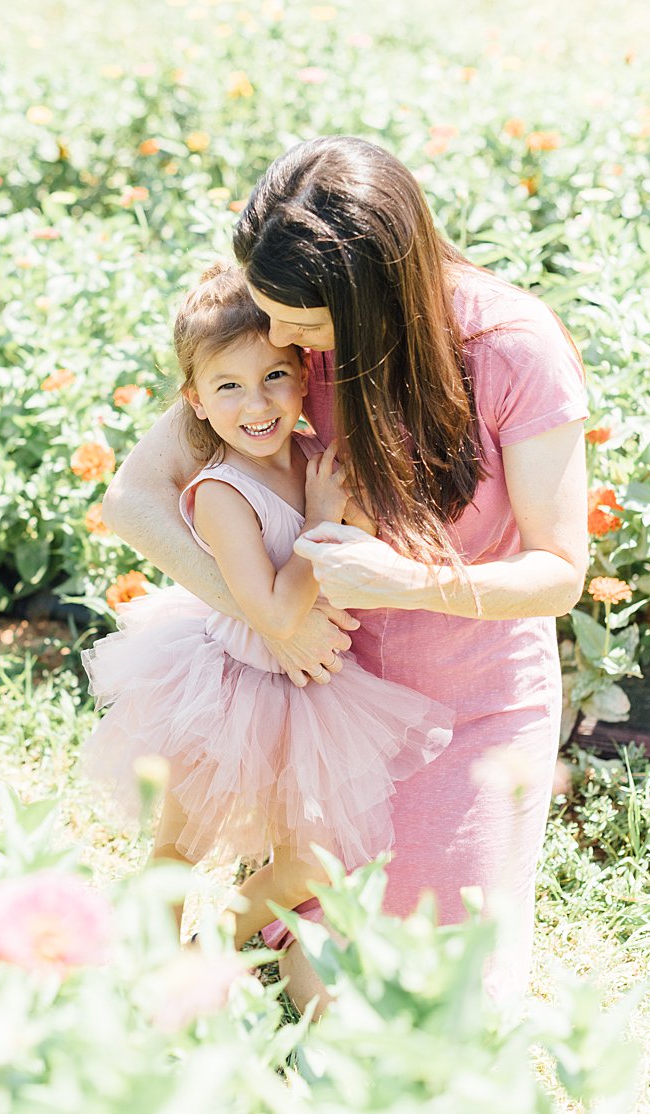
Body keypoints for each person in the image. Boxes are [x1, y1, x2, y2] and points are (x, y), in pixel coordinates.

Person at [103, 136, 587, 1003]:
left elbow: (560, 572)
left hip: (471, 708)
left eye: (301, 326)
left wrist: (415, 584)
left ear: (373, 291)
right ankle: (238, 950)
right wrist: (267, 620)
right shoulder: (280, 339)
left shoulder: (511, 348)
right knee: (330, 997)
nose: (281, 341)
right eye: (268, 311)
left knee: (435, 1010)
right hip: (332, 708)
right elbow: (135, 498)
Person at [83, 264, 453, 945]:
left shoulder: (312, 454)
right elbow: (278, 614)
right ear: (194, 401)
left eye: (274, 378)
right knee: (180, 850)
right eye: (229, 387)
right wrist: (319, 515)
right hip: (226, 688)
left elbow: (351, 554)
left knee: (311, 863)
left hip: (308, 693)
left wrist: (351, 507)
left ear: (303, 377)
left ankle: (214, 944)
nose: (257, 406)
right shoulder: (223, 493)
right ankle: (158, 973)